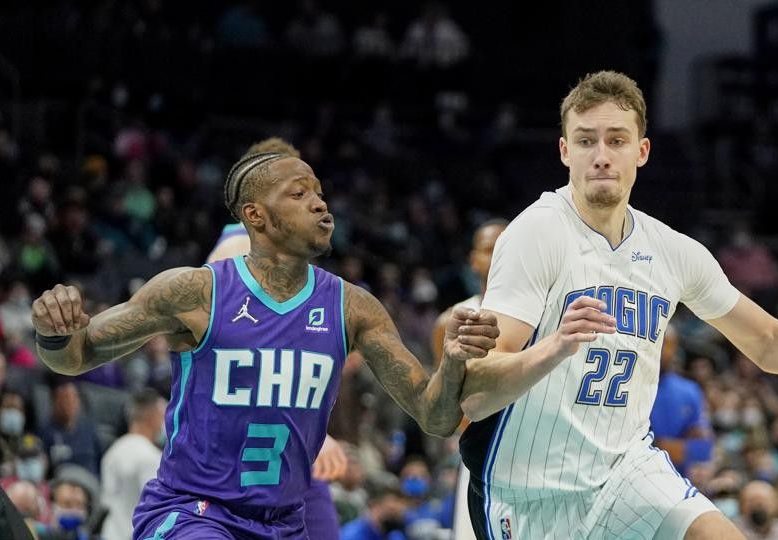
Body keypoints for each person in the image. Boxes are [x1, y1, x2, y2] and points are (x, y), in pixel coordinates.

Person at [457, 70, 778, 540]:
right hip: (529, 492)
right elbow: (478, 388)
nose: (601, 156)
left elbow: (768, 340)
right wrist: (552, 348)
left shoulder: (672, 251)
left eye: (617, 140)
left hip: (626, 475)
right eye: (586, 141)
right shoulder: (535, 233)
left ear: (642, 151)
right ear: (565, 151)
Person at [31, 150, 498, 539]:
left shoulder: (353, 308)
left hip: (283, 523)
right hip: (194, 512)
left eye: (319, 192)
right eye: (299, 194)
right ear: (256, 215)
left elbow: (436, 418)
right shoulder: (196, 293)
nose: (319, 203)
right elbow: (74, 357)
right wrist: (54, 330)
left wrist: (453, 361)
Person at [206, 136, 350, 540]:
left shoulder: (281, 257)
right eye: (296, 191)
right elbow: (245, 357)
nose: (312, 201)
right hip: (254, 441)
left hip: (280, 438)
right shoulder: (237, 249)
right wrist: (313, 434)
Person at [429, 218, 506, 540]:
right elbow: (444, 400)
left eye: (507, 246)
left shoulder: (544, 315)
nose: (500, 254)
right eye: (490, 248)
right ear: (473, 260)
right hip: (480, 452)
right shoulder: (451, 321)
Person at [100, 388, 166, 540]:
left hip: (109, 533)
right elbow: (155, 507)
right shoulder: (150, 457)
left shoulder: (112, 452)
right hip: (135, 534)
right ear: (153, 417)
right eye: (162, 416)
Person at [649, 323, 714, 475]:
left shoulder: (689, 391)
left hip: (674, 476)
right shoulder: (627, 385)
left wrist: (656, 447)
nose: (662, 351)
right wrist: (670, 447)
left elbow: (704, 448)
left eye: (667, 345)